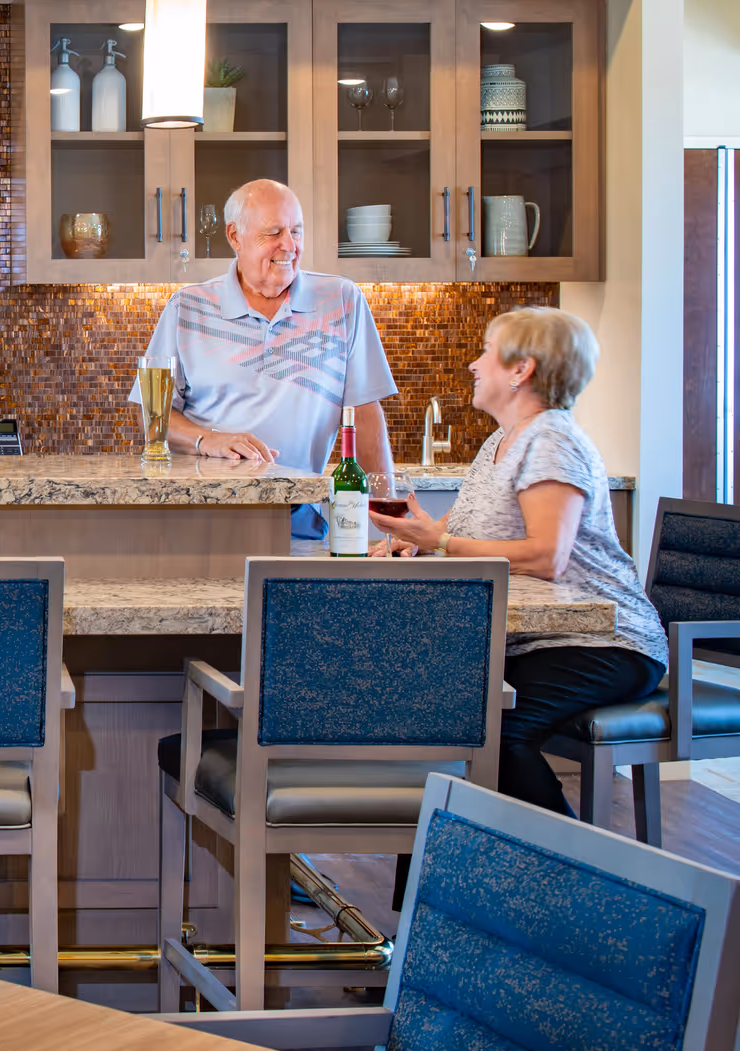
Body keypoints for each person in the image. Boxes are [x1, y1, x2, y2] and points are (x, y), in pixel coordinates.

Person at [370, 306, 667, 818]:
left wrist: (440, 544)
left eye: (486, 350)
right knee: (436, 710)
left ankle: (565, 877)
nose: (473, 364)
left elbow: (546, 555)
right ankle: (437, 886)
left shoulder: (552, 438)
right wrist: (420, 536)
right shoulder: (499, 442)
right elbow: (462, 537)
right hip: (541, 639)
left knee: (490, 729)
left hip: (604, 641)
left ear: (520, 369)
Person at [129, 179, 396, 535]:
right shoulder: (187, 307)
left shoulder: (342, 302)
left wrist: (391, 527)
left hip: (296, 526)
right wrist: (207, 439)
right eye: (274, 232)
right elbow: (149, 414)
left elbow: (364, 415)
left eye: (296, 231)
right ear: (234, 236)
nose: (290, 245)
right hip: (197, 523)